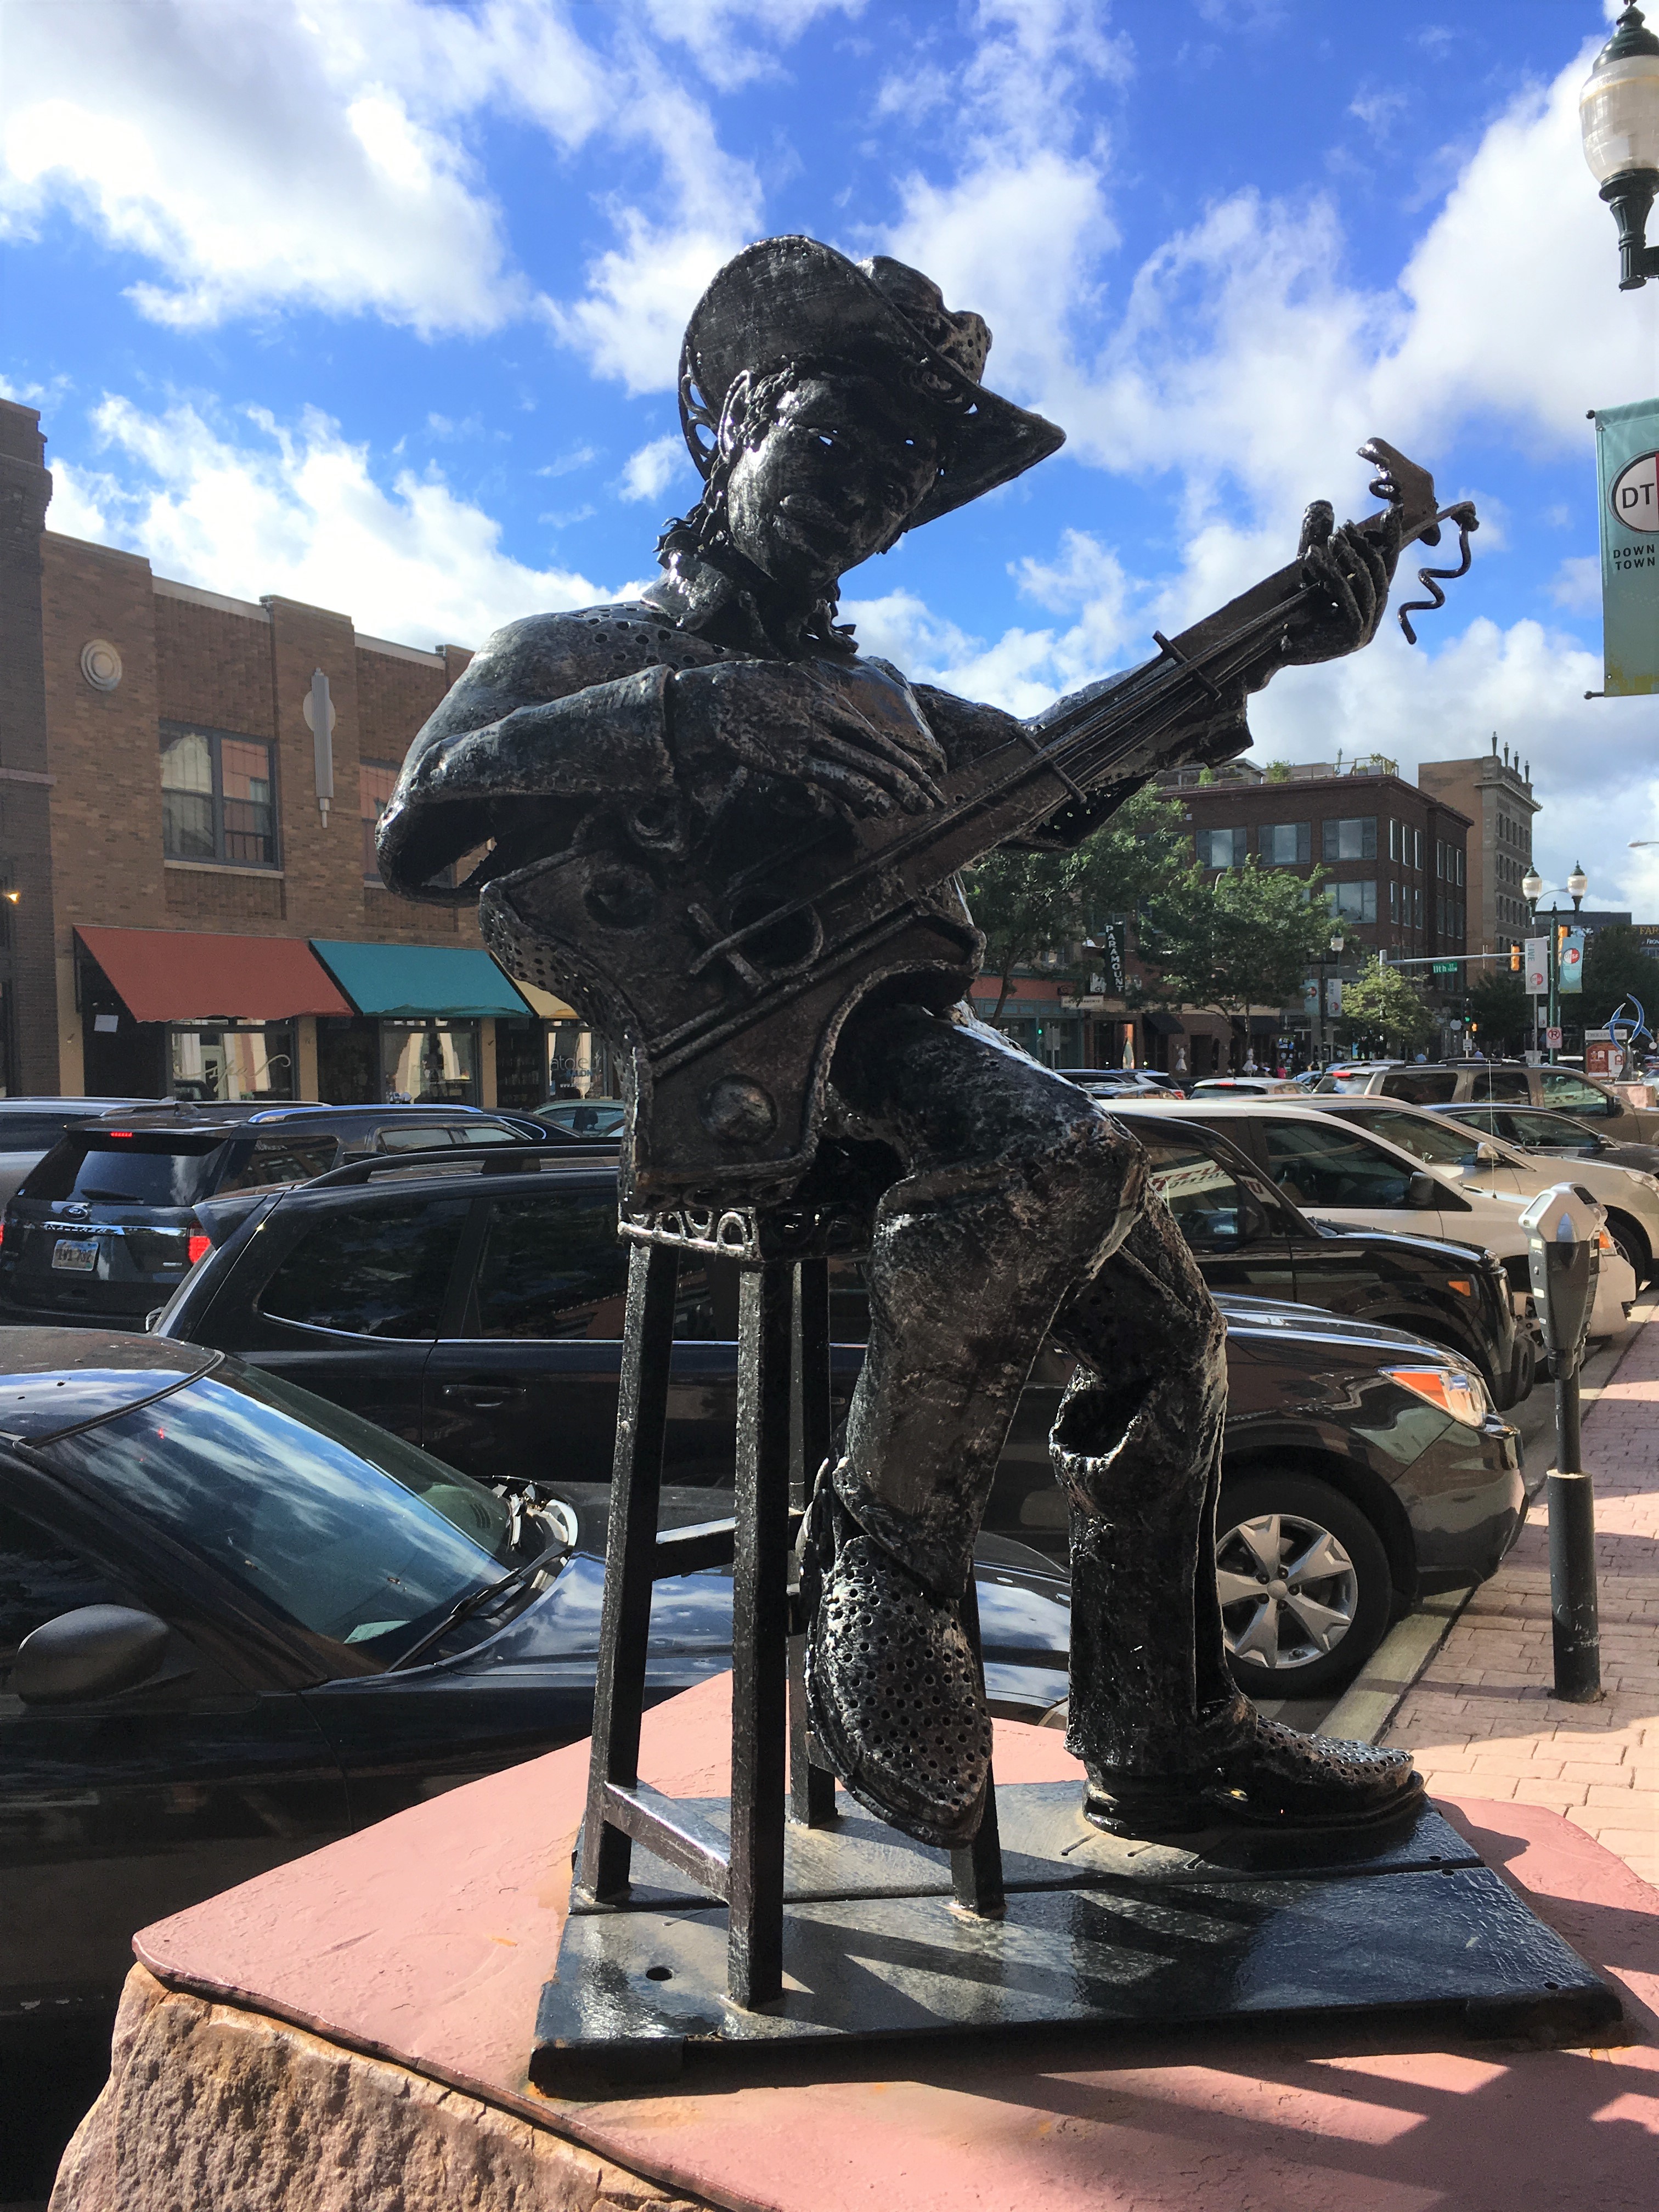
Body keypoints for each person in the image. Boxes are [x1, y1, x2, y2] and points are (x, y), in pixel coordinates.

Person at [379, 236, 1419, 1847]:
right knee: (1060, 1150)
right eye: (835, 445)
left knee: (1175, 1339)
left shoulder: (886, 702)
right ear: (739, 432)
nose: (863, 494)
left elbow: (1055, 778)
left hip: (892, 1052)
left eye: (898, 481)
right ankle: (883, 1557)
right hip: (741, 1075)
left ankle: (1164, 1733)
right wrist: (693, 714)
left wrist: (1272, 641)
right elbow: (420, 832)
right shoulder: (584, 650)